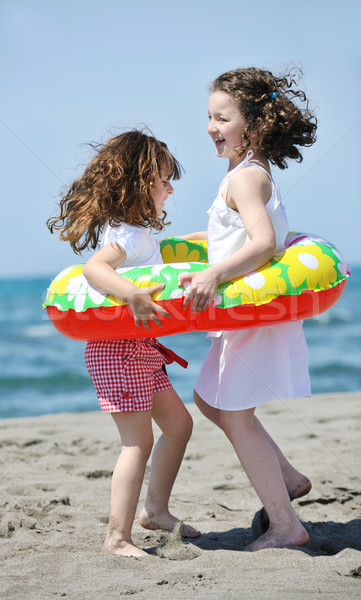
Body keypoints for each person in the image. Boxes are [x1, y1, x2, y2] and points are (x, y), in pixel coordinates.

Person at [179, 67, 317, 551]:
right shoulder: (243, 173)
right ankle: (289, 477)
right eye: (209, 117)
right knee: (209, 400)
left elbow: (263, 242)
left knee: (235, 416)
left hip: (253, 316)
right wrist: (189, 246)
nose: (212, 127)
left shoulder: (247, 177)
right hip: (241, 318)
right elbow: (233, 233)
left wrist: (215, 274)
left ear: (253, 125)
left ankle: (286, 526)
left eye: (222, 117)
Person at [47, 130, 200, 557]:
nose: (170, 189)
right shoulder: (127, 235)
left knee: (180, 426)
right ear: (139, 183)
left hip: (141, 349)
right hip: (117, 349)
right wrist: (131, 295)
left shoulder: (138, 234)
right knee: (138, 443)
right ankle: (117, 538)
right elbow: (95, 267)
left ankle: (156, 511)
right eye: (164, 180)